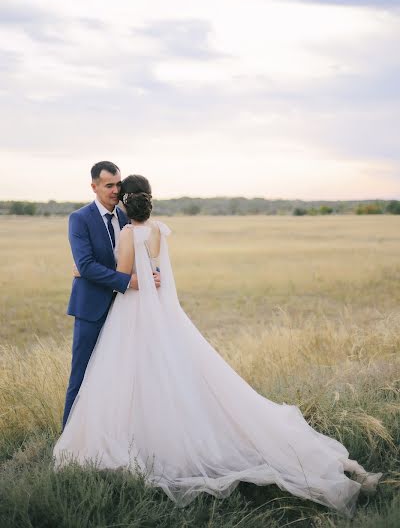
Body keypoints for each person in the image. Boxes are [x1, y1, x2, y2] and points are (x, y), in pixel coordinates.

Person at [54, 174, 382, 517]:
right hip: (161, 312)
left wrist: (83, 272)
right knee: (165, 368)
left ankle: (132, 438)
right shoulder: (159, 231)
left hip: (131, 309)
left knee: (128, 373)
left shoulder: (126, 232)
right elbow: (153, 271)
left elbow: (125, 276)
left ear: (126, 201)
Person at [62, 161, 160, 428]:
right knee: (81, 376)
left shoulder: (128, 216)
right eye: (109, 185)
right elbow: (86, 265)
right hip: (92, 309)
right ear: (94, 187)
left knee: (122, 375)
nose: (116, 190)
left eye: (118, 184)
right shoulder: (79, 219)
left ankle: (115, 432)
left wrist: (154, 274)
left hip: (125, 310)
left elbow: (145, 252)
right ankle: (68, 438)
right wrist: (129, 281)